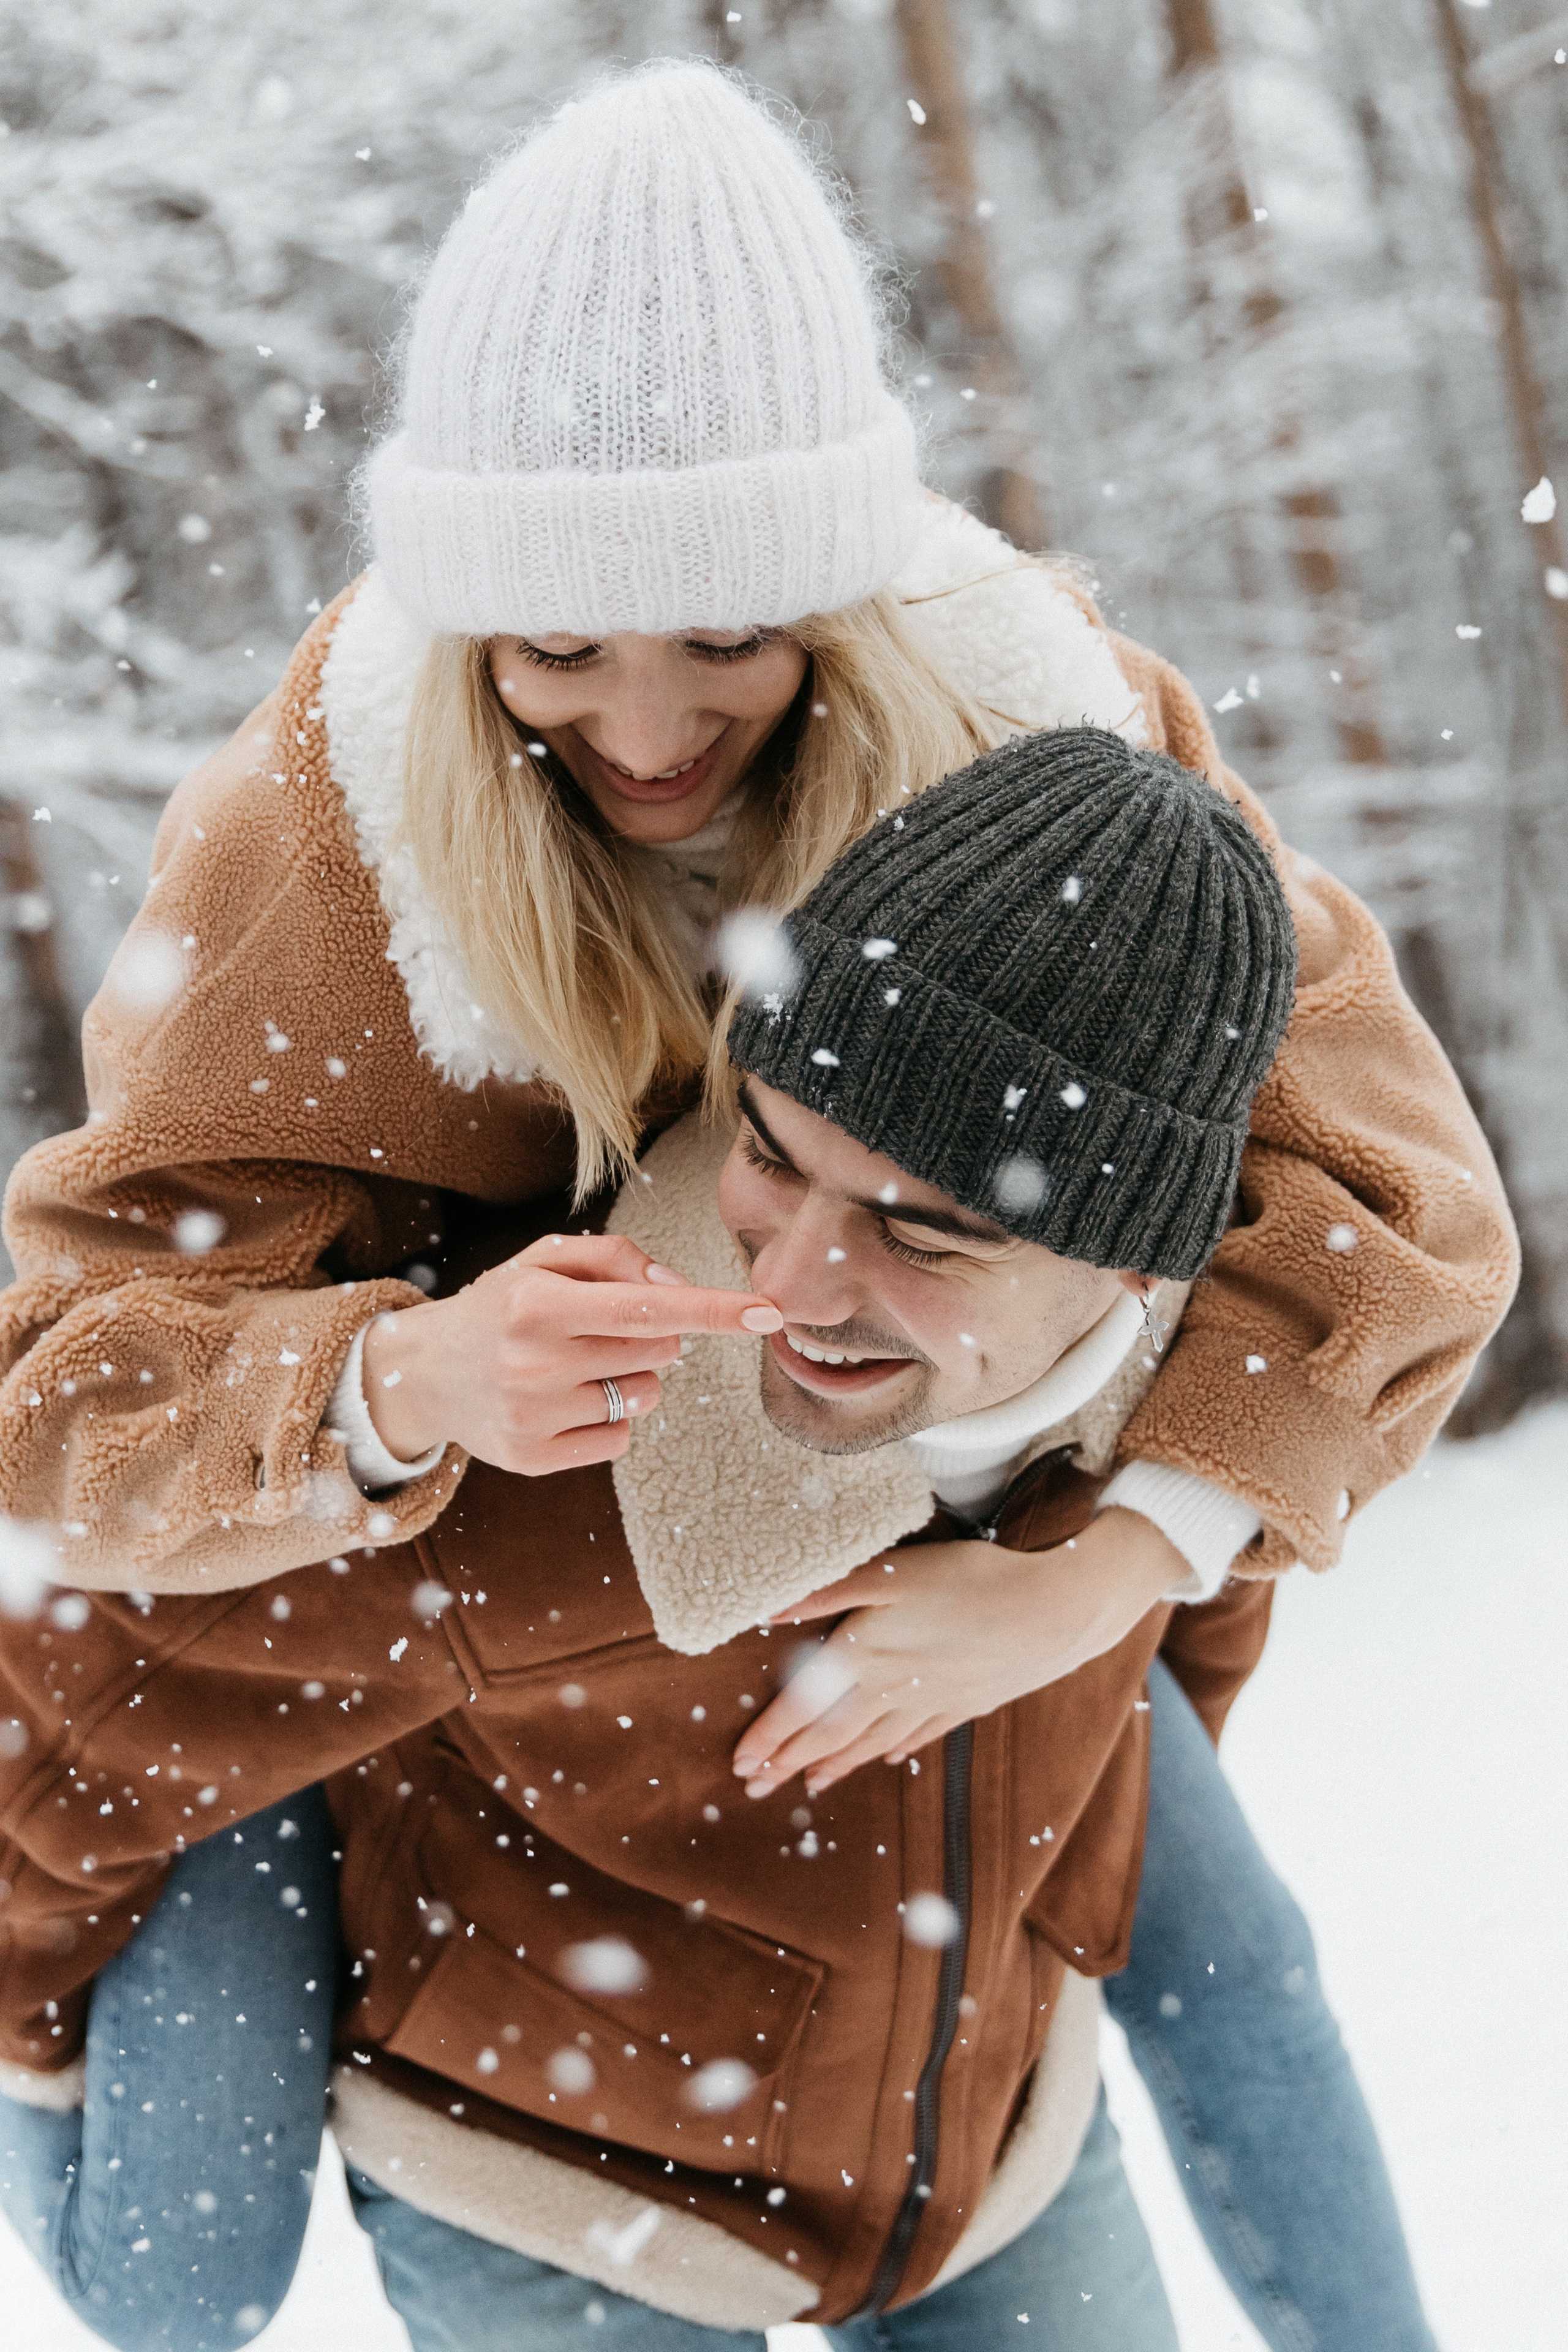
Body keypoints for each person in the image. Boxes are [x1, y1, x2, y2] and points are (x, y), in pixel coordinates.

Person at [0, 55, 1512, 2351]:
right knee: (170, 2221)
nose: (643, 722)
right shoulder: (327, 846)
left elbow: (1382, 1198)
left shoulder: (1048, 750)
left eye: (727, 628)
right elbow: (60, 1392)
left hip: (943, 1642)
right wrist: (394, 1379)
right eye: (555, 643)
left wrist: (1104, 1572)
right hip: (474, 1662)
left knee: (1233, 1970)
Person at [9, 729, 1303, 2348]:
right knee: (171, 2294)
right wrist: (35, 2009)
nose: (806, 1280)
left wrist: (1106, 1605)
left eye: (926, 1230)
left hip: (977, 2166)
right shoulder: (572, 1437)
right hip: (549, 2180)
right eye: (770, 1151)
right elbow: (81, 1677)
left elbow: (1202, 1635)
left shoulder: (1188, 1417)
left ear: (1132, 1279)